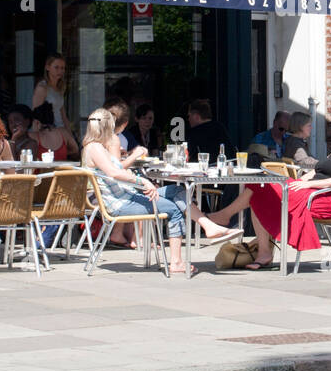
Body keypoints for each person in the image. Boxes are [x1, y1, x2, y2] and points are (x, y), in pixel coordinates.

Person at [81, 108, 239, 274]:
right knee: (173, 209)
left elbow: (116, 171)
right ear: (107, 126)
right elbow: (113, 173)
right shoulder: (95, 148)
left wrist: (142, 183)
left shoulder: (97, 147)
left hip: (128, 195)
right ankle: (176, 262)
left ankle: (208, 226)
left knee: (177, 190)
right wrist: (141, 181)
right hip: (120, 203)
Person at [205, 115, 331, 270]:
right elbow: (315, 172)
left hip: (327, 200)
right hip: (313, 192)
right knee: (260, 186)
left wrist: (307, 187)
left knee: (262, 188)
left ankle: (225, 218)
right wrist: (299, 183)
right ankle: (261, 251)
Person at [31, 54, 79, 159]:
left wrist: (70, 135)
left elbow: (63, 115)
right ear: (47, 67)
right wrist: (38, 138)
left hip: (61, 131)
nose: (60, 71)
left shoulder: (60, 87)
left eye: (62, 68)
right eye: (56, 67)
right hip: (47, 131)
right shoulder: (42, 88)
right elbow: (36, 114)